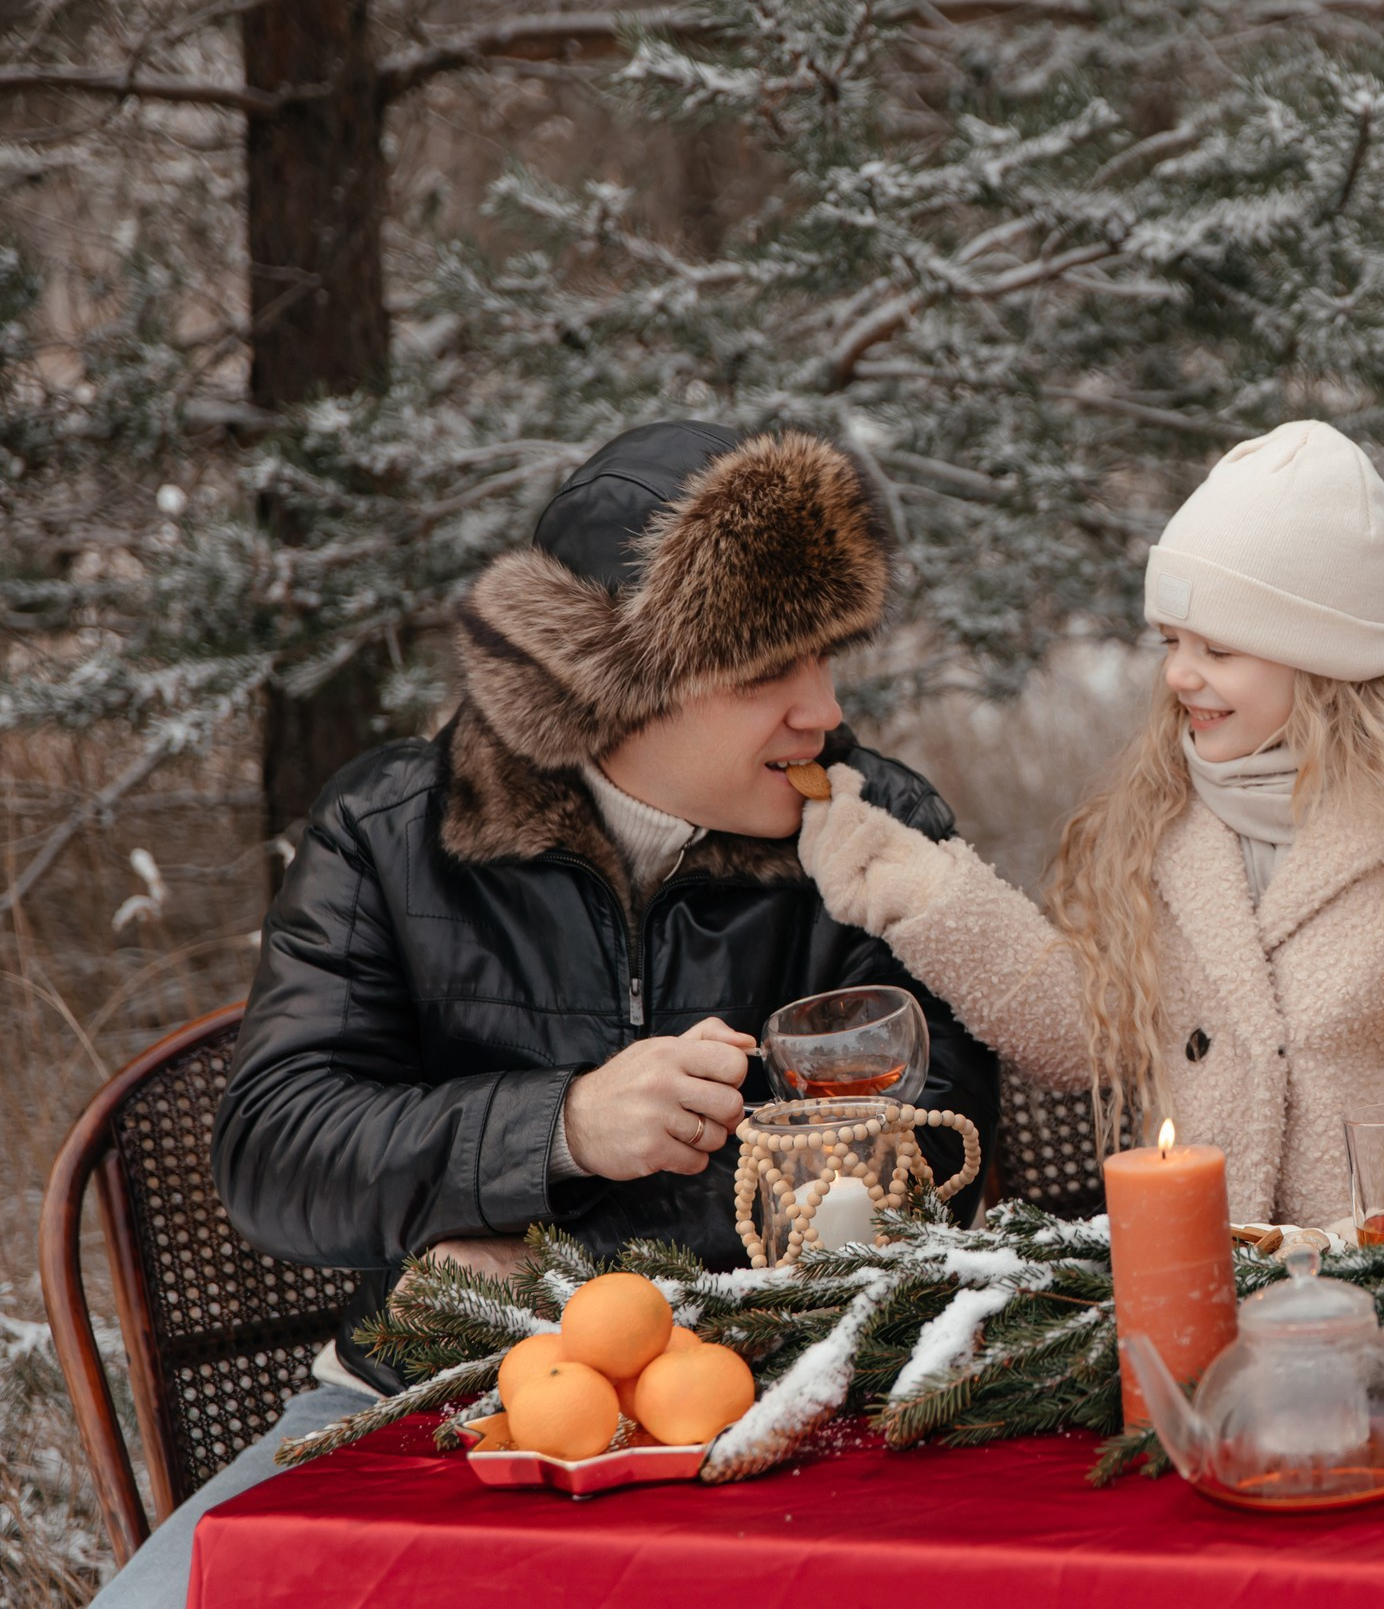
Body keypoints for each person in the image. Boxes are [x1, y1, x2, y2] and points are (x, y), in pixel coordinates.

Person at [92, 423, 997, 1609]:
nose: (821, 710)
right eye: (764, 671)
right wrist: (561, 1129)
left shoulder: (880, 834)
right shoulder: (388, 829)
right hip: (431, 1397)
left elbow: (936, 1168)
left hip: (777, 1399)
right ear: (606, 689)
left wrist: (542, 1250)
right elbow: (273, 1152)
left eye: (827, 656)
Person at [795, 419, 1384, 1227]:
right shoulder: (1160, 822)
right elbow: (1084, 1032)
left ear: (1320, 658)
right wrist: (922, 887)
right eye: (1172, 640)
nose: (1179, 673)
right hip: (1199, 1276)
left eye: (1217, 648)